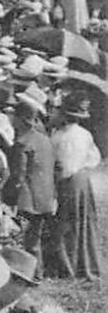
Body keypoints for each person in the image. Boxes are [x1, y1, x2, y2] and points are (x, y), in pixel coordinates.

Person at [45, 96, 101, 280]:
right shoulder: (78, 133)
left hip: (69, 181)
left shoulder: (68, 137)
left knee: (67, 224)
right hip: (80, 180)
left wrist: (54, 185)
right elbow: (94, 157)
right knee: (77, 223)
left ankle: (69, 266)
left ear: (65, 115)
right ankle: (77, 264)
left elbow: (66, 167)